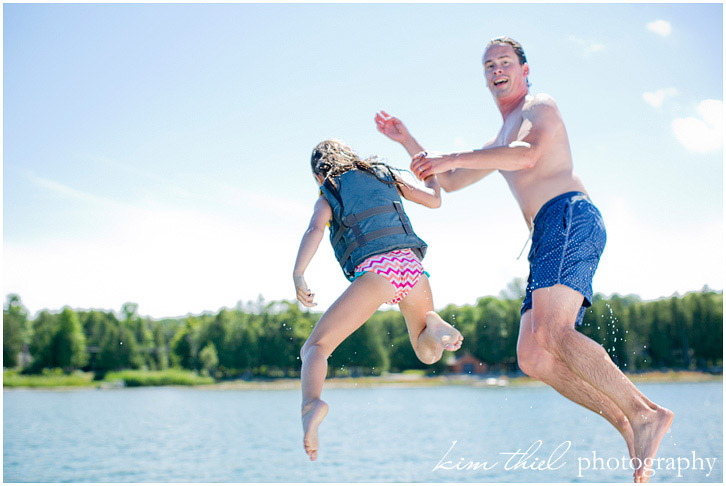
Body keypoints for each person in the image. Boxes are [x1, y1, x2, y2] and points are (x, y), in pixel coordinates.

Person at [375, 37, 673, 483]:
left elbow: (529, 153)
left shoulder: (538, 106)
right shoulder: (501, 135)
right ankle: (629, 423)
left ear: (524, 69)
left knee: (553, 332)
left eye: (505, 62)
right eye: (489, 65)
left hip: (568, 215)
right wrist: (409, 141)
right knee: (533, 355)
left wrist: (450, 155)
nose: (497, 70)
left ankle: (645, 413)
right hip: (546, 236)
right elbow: (450, 182)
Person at [293, 139, 463, 461]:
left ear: (319, 174)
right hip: (413, 267)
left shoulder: (329, 190)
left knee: (315, 348)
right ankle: (433, 323)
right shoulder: (384, 174)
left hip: (377, 269)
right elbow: (435, 200)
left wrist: (299, 273)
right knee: (428, 354)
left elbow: (315, 229)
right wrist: (429, 173)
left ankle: (311, 405)